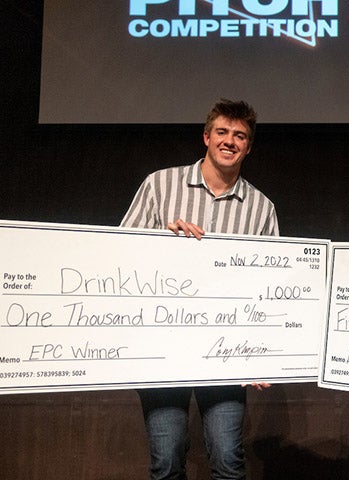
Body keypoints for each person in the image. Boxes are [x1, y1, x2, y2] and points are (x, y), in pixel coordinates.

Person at [121, 99, 278, 480]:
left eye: (239, 135)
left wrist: (263, 352)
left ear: (248, 146)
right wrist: (163, 238)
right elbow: (120, 253)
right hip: (162, 345)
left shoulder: (260, 207)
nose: (230, 141)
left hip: (224, 351)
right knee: (168, 458)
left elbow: (271, 287)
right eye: (222, 132)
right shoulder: (160, 184)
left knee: (227, 459)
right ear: (206, 137)